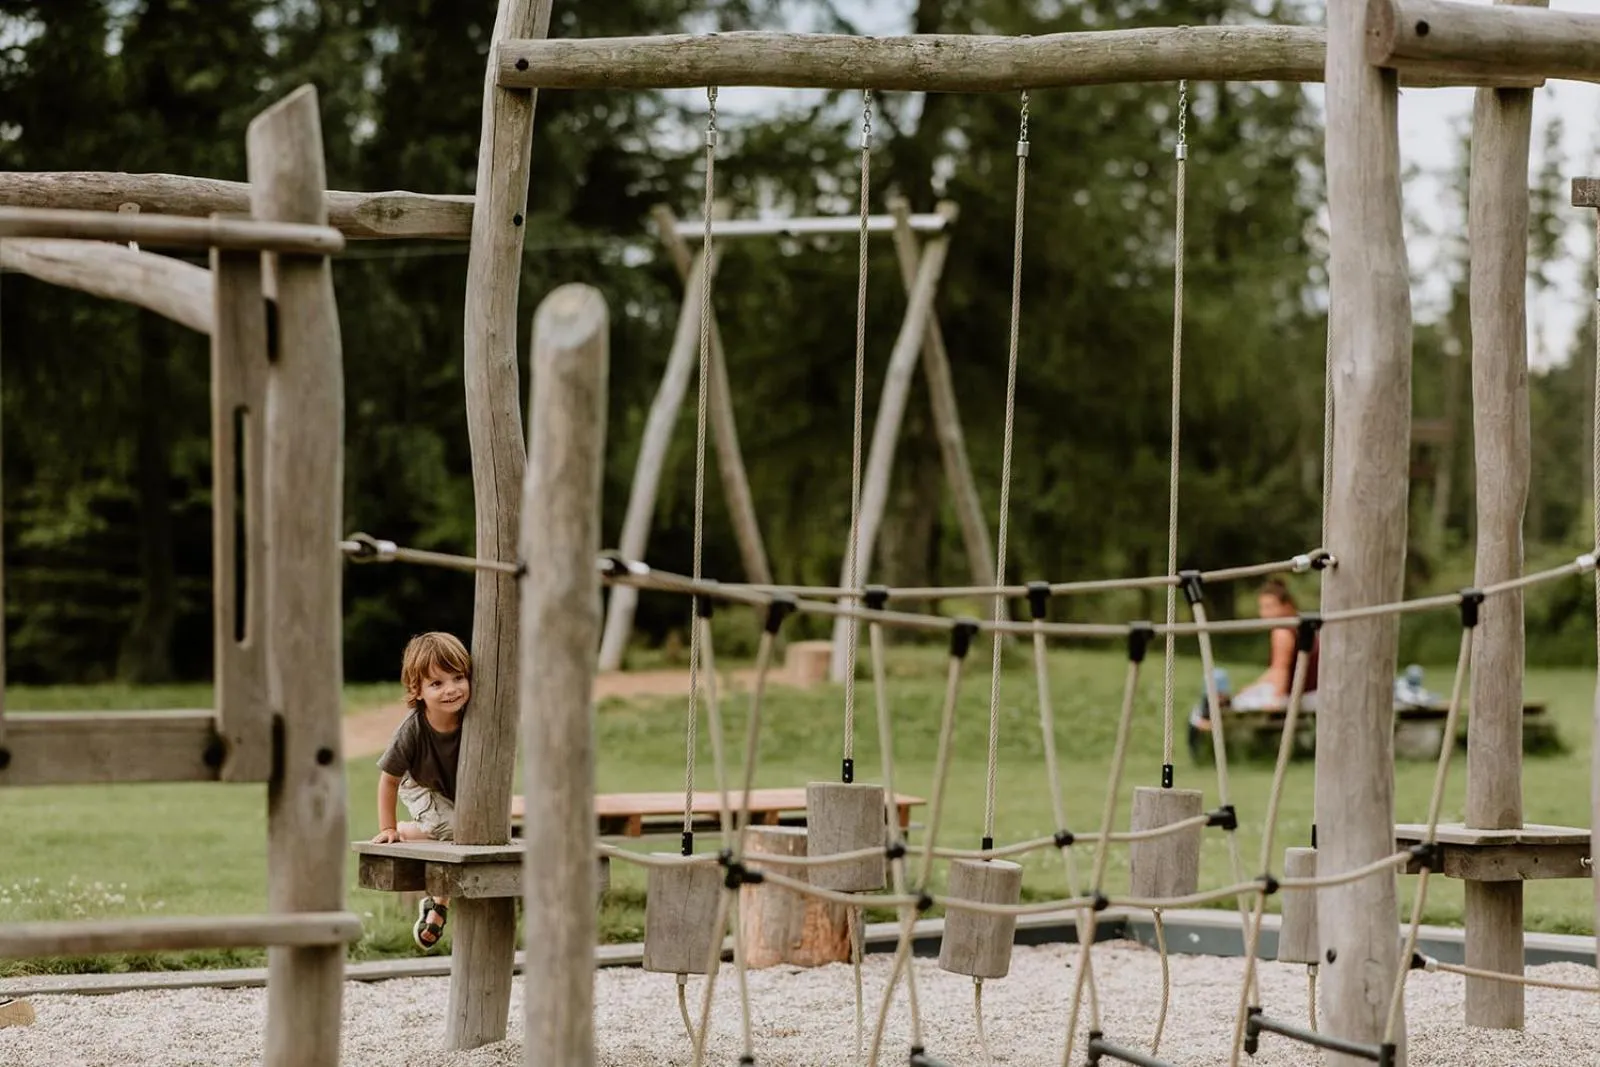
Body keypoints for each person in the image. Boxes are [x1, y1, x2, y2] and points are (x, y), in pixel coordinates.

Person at [371, 631, 471, 952]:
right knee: (457, 830)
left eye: (458, 677)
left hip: (455, 788)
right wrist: (388, 828)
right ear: (418, 690)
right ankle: (407, 831)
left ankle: (437, 906)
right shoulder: (412, 729)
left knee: (472, 832)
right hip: (420, 785)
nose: (451, 689)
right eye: (437, 683)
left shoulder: (476, 717)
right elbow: (388, 780)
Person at [1187, 578, 1318, 757]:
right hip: (1309, 692)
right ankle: (1206, 720)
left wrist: (1274, 702)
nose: (1265, 613)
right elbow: (1278, 669)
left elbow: (1281, 670)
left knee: (1221, 704)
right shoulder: (1304, 626)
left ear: (1287, 605)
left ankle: (1203, 725)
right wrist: (1255, 686)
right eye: (1262, 607)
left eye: (1270, 607)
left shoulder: (1282, 631)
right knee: (1239, 694)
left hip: (1294, 696)